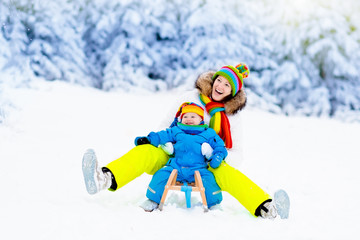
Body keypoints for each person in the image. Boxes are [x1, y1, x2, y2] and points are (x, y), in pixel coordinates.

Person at [82, 63, 277, 219]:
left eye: (227, 85)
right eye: (219, 80)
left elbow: (238, 154)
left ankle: (264, 207)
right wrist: (164, 145)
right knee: (146, 152)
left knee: (230, 174)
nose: (220, 86)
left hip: (208, 166)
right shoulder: (190, 98)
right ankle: (104, 178)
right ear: (213, 79)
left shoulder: (232, 117)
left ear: (232, 92)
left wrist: (215, 157)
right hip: (173, 156)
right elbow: (165, 126)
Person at [135, 102, 227, 211]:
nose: (189, 119)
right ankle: (152, 200)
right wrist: (149, 139)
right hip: (176, 167)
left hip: (198, 169)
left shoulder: (208, 133)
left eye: (193, 116)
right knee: (160, 175)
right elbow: (161, 135)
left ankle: (214, 204)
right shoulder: (176, 130)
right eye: (185, 116)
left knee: (210, 180)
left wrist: (218, 156)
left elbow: (220, 146)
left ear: (201, 119)